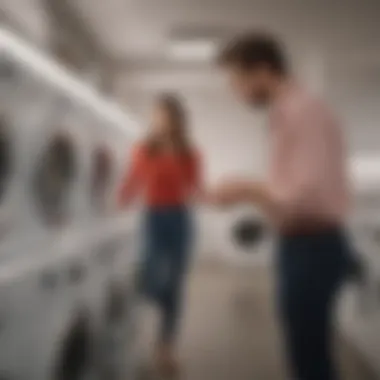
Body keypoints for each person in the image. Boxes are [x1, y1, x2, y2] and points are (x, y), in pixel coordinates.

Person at [210, 33, 352, 380]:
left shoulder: (302, 112)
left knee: (310, 361)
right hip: (303, 245)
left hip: (313, 246)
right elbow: (292, 188)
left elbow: (306, 194)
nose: (236, 91)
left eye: (237, 80)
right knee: (306, 354)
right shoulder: (290, 113)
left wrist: (245, 188)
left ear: (262, 70)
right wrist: (253, 190)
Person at [118, 93, 201, 376]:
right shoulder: (143, 149)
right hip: (153, 218)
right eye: (155, 115)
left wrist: (214, 196)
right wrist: (118, 201)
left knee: (175, 285)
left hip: (180, 219)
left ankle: (166, 347)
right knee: (152, 279)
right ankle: (136, 323)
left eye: (162, 114)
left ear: (176, 119)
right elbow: (133, 180)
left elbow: (195, 187)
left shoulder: (189, 152)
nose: (157, 120)